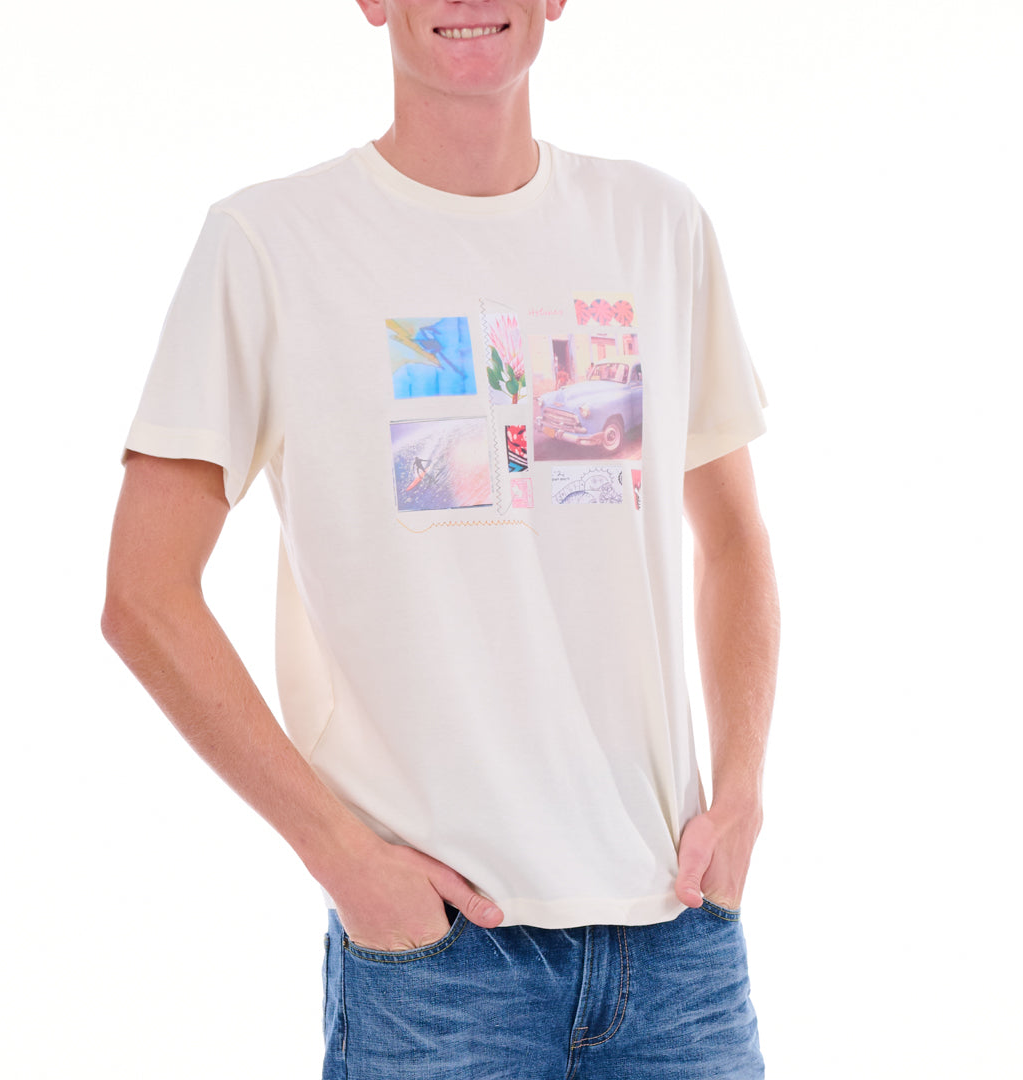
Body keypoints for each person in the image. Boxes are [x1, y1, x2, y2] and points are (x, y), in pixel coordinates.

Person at [101, 1, 780, 1076]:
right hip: (439, 969)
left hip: (678, 942)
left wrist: (740, 792)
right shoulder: (272, 243)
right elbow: (144, 594)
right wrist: (342, 857)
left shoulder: (658, 226)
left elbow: (734, 539)